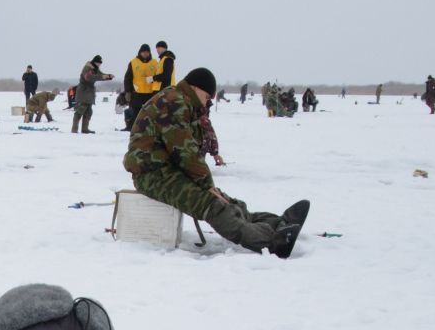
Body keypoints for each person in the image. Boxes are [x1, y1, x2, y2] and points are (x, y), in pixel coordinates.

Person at [124, 67, 309, 258]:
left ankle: (278, 224)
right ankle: (272, 242)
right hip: (151, 174)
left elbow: (186, 152)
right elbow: (185, 152)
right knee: (211, 205)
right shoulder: (173, 103)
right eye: (206, 96)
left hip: (168, 169)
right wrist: (206, 183)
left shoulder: (182, 100)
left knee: (227, 202)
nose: (207, 101)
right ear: (195, 88)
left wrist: (206, 183)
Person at [122, 42, 165, 132]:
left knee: (150, 113)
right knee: (135, 113)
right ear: (140, 52)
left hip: (151, 93)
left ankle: (149, 130)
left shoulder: (155, 62)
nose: (145, 53)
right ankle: (132, 128)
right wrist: (128, 91)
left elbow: (159, 76)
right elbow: (128, 78)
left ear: (149, 53)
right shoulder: (133, 62)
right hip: (136, 92)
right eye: (143, 52)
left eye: (147, 52)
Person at [73, 55, 113, 134]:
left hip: (89, 93)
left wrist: (108, 76)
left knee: (88, 112)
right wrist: (103, 76)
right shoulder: (87, 68)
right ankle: (74, 130)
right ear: (94, 62)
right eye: (98, 63)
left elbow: (101, 75)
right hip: (83, 92)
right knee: (79, 111)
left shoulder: (95, 69)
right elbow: (88, 77)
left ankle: (85, 129)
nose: (99, 64)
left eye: (100, 63)